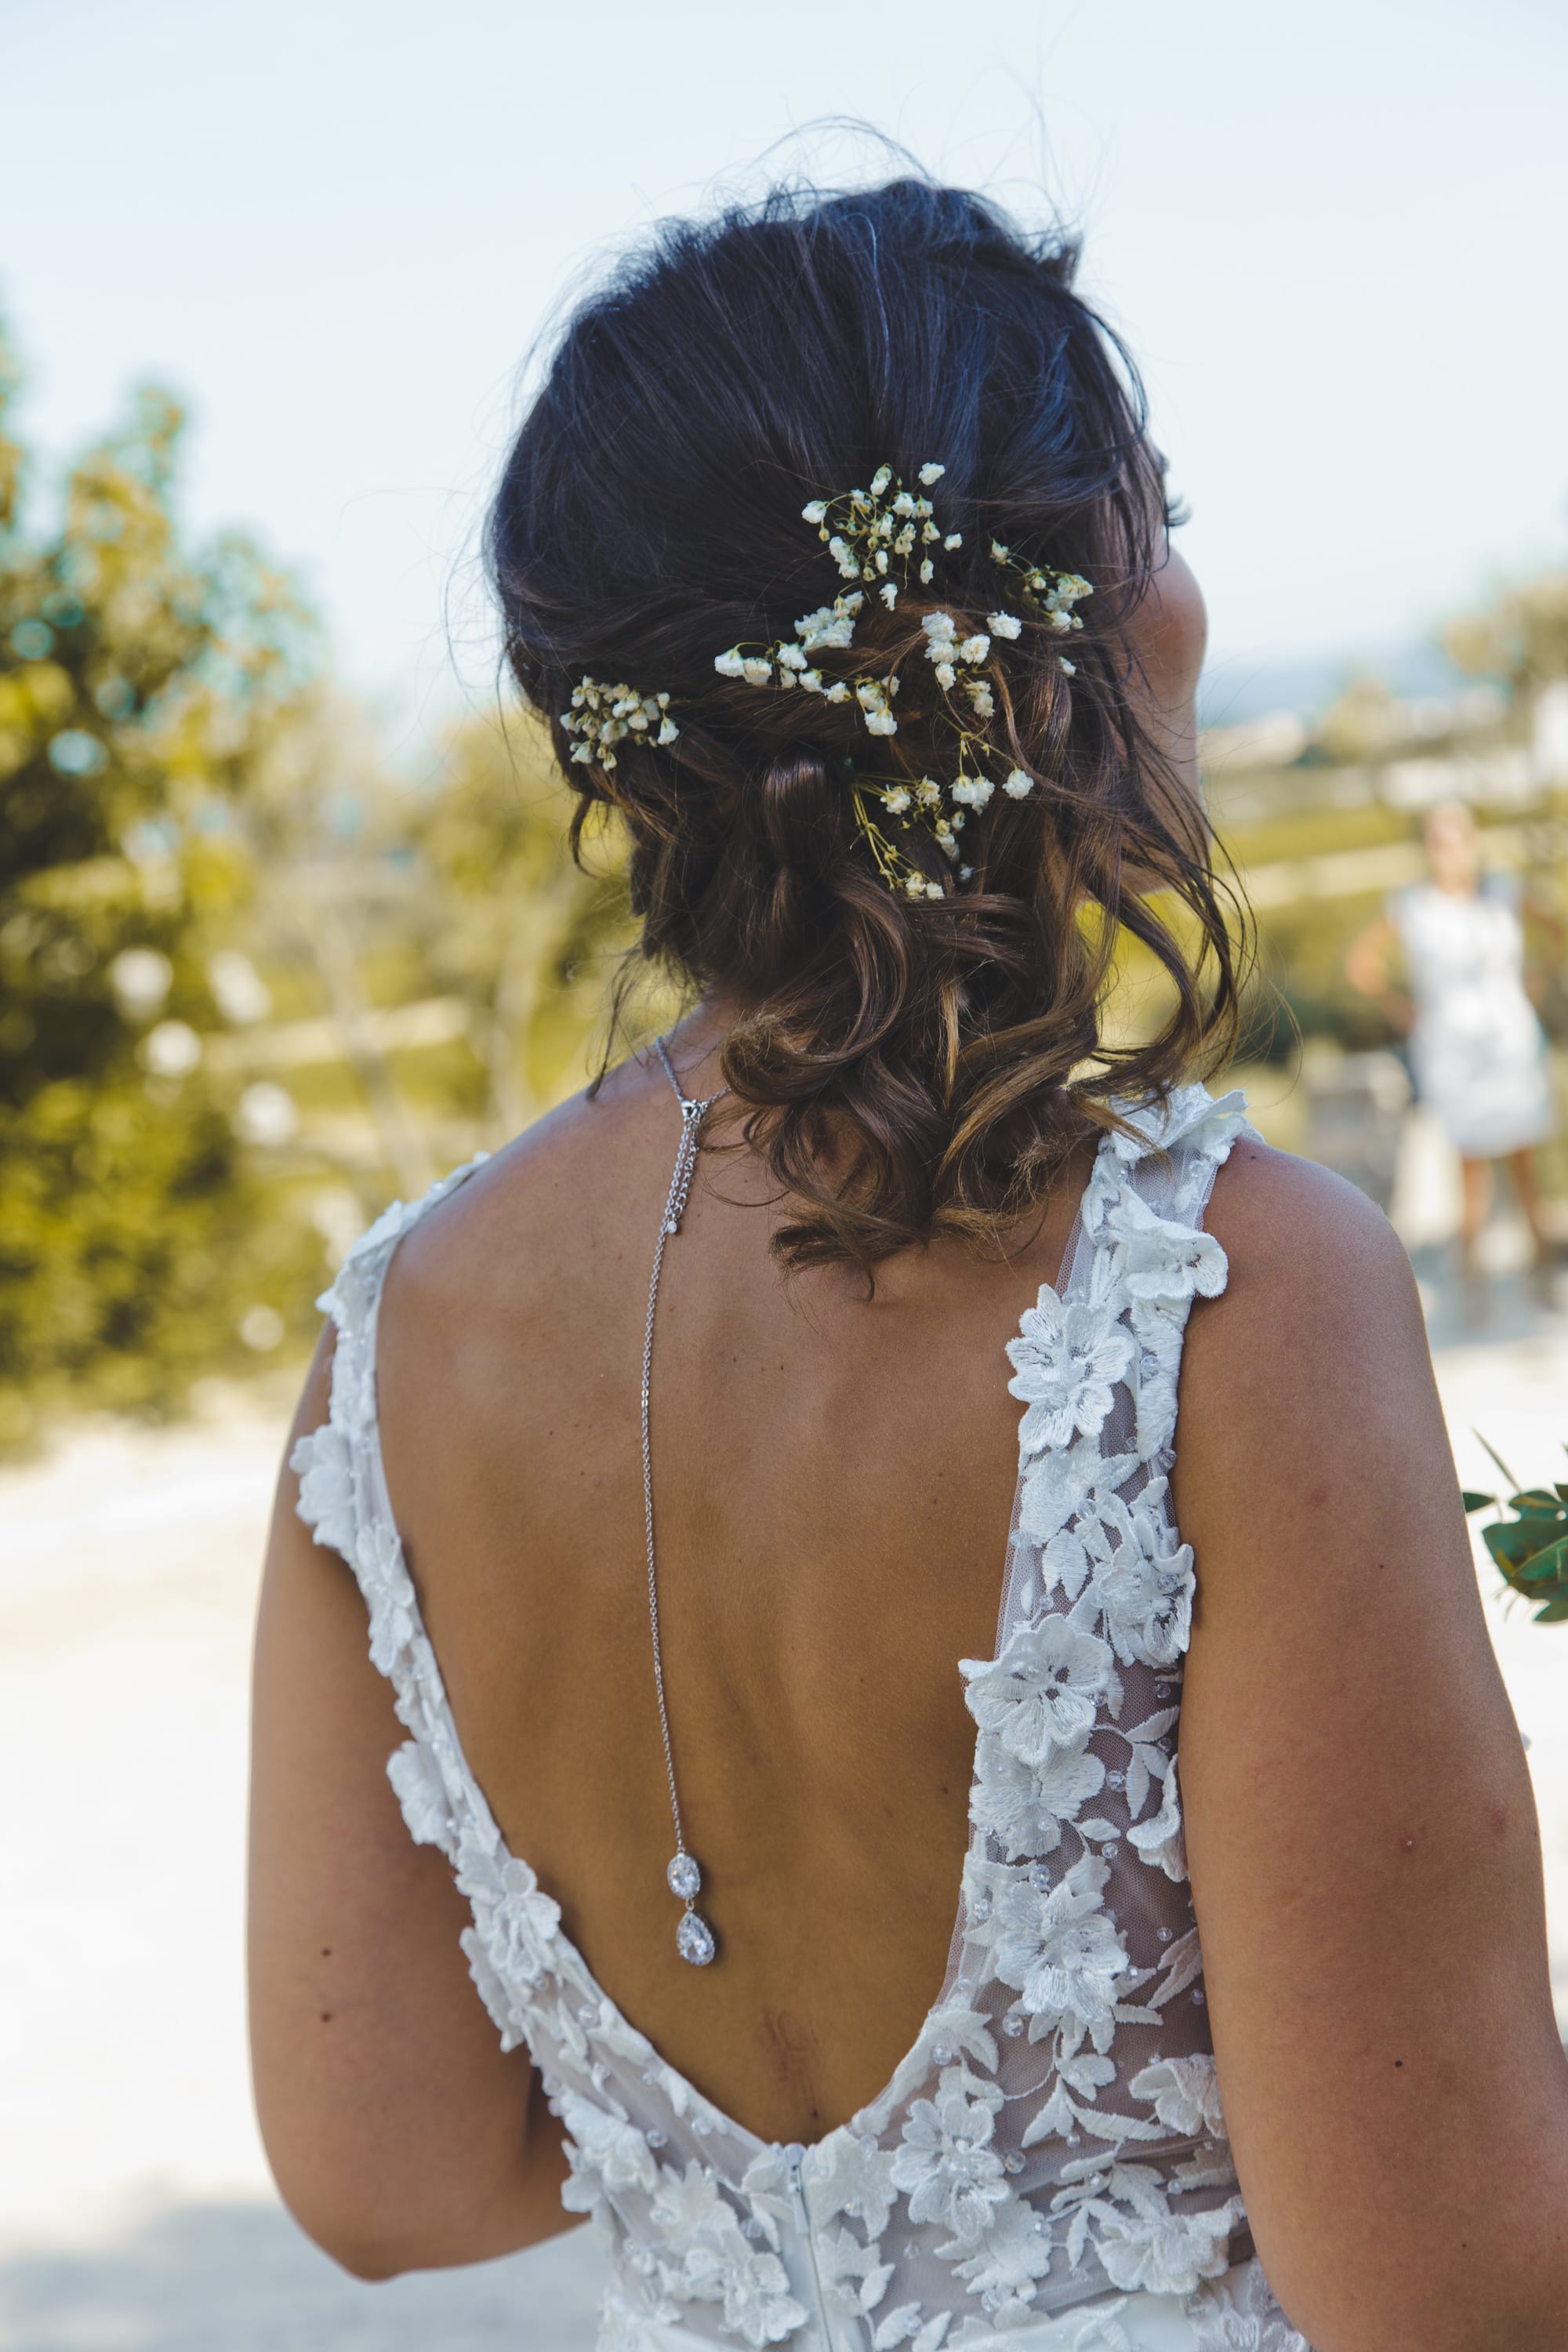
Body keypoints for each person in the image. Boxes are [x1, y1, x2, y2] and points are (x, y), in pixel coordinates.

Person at [248, 180, 1568, 2352]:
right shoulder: (1229, 1293)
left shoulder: (387, 1354)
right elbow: (1450, 2291)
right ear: (1054, 630)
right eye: (1159, 519)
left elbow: (385, 2171)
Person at [1347, 800, 1559, 1308]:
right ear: (1429, 847)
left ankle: (1542, 1275)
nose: (1452, 849)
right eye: (1441, 839)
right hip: (1452, 1049)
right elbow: (1362, 964)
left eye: (1459, 836)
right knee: (1472, 1168)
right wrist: (1402, 1008)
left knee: (1525, 1163)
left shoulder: (1504, 892)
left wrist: (1538, 981)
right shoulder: (1412, 906)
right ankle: (1474, 1284)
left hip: (1509, 1042)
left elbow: (1558, 932)